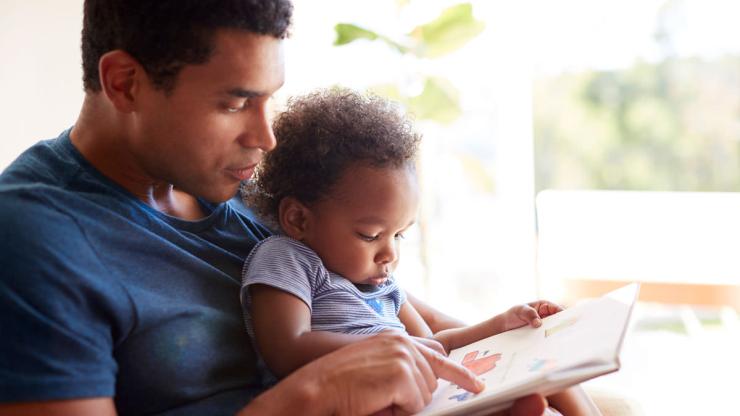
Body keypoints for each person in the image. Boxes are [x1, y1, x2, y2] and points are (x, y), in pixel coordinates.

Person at [0, 1, 592, 415]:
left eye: (269, 100)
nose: (266, 137)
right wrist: (313, 394)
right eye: (235, 103)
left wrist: (521, 346)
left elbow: (404, 319)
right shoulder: (35, 239)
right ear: (125, 83)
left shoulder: (255, 196)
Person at [240, 89, 597, 415]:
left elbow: (433, 345)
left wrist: (502, 325)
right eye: (370, 235)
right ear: (299, 218)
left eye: (399, 236)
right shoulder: (286, 259)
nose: (389, 254)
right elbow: (286, 347)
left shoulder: (385, 286)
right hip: (356, 403)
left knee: (548, 374)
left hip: (422, 396)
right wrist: (382, 350)